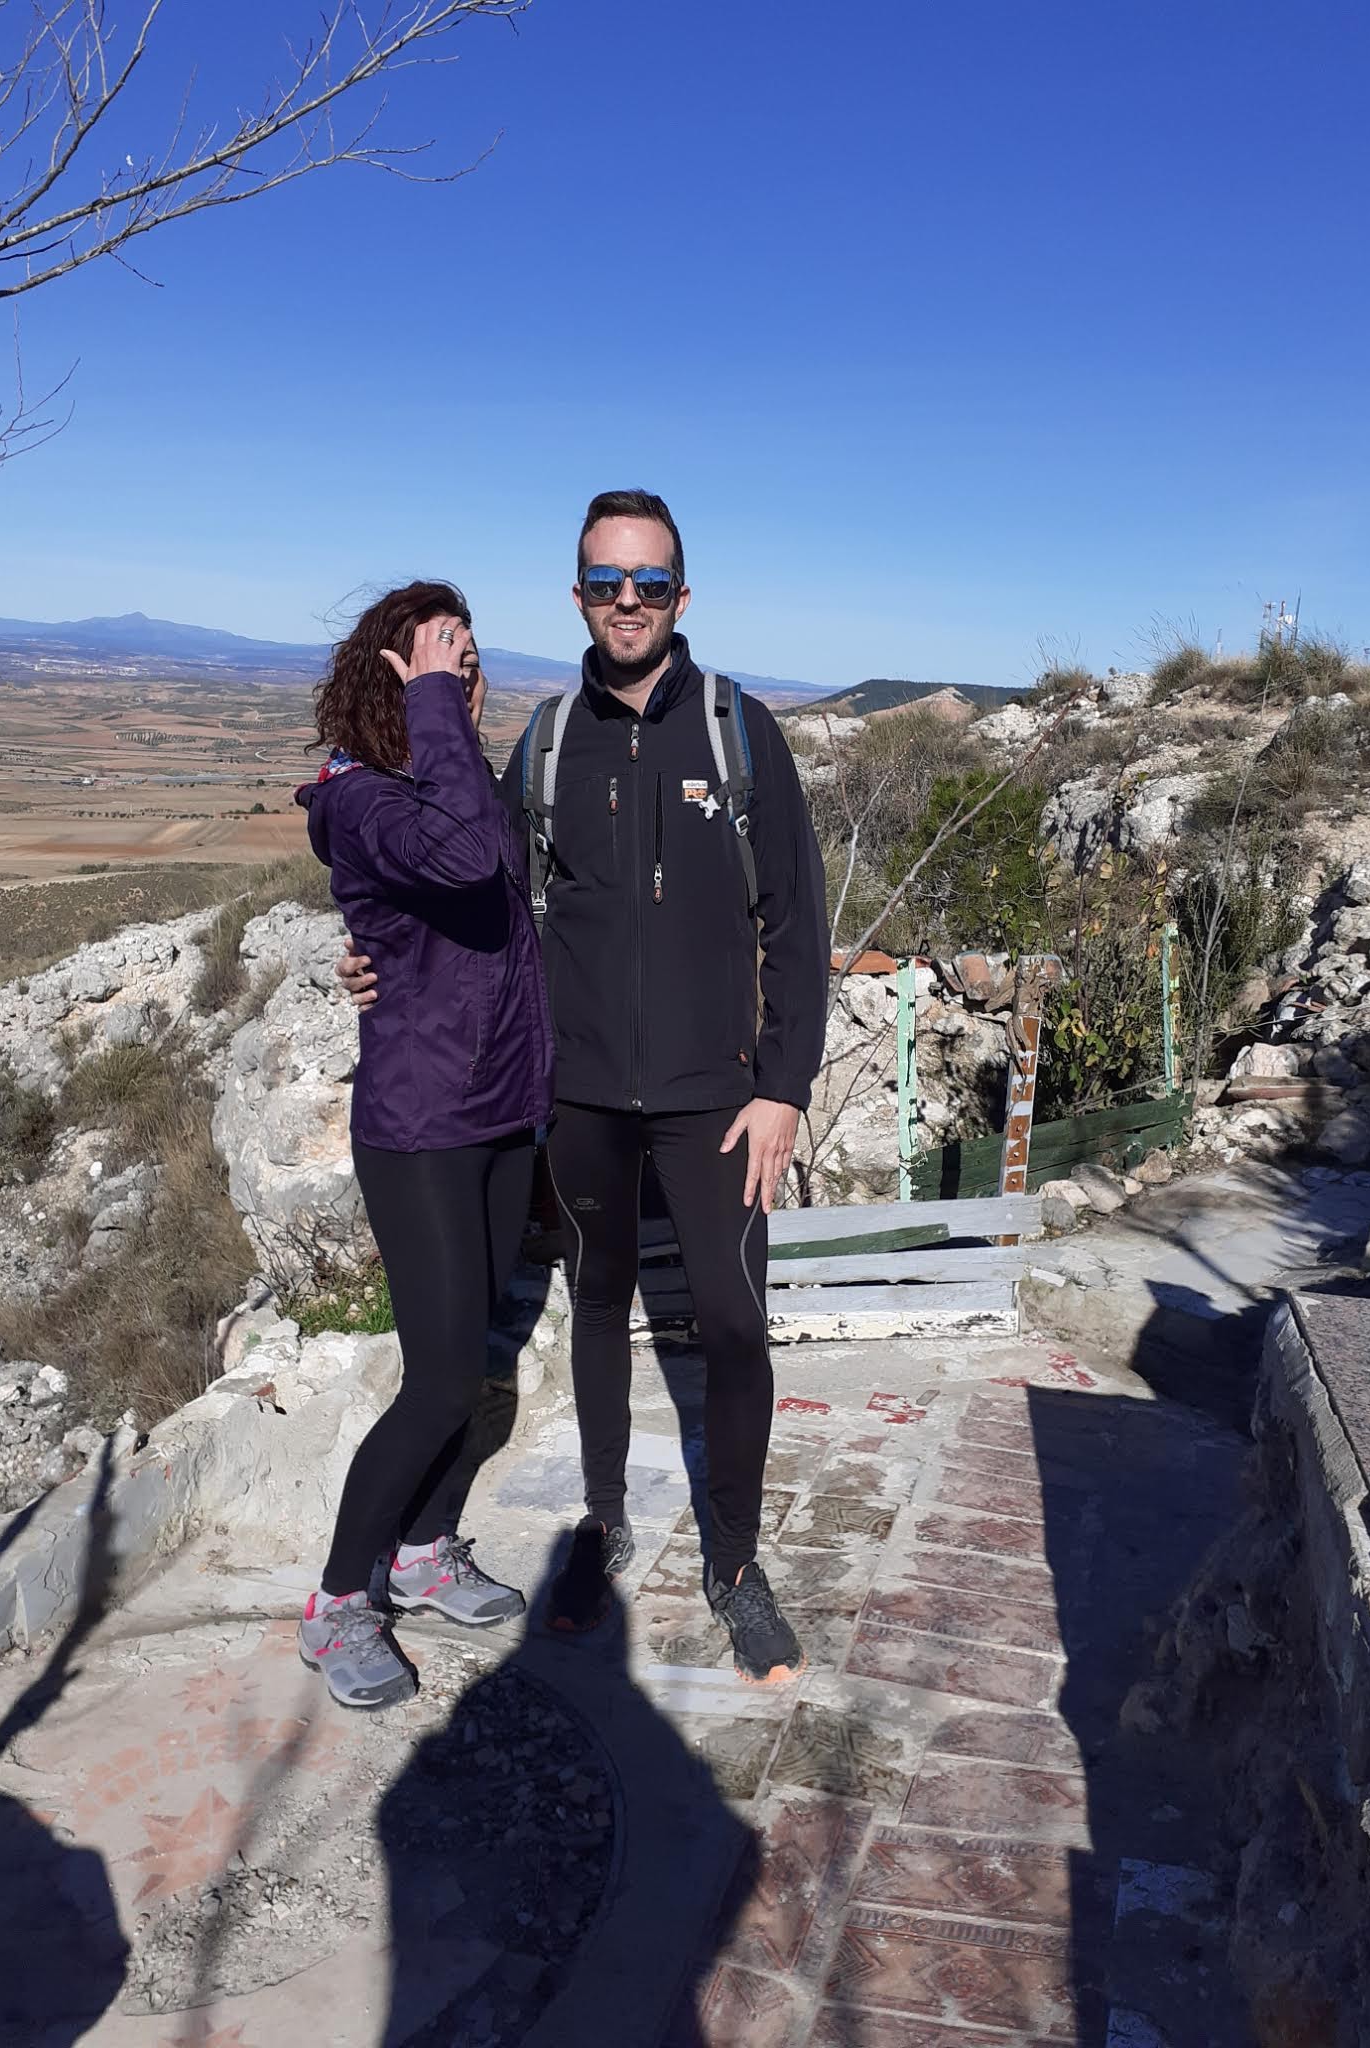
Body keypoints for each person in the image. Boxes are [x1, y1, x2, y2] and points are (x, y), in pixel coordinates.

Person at [339, 492, 829, 1685]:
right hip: (579, 1095)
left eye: (649, 581)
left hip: (718, 1099)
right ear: (577, 596)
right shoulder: (550, 740)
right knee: (600, 1303)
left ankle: (734, 1565)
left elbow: (798, 919)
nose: (628, 600)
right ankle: (602, 1527)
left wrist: (783, 1085)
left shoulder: (740, 730)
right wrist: (373, 954)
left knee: (731, 1322)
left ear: (681, 595)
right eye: (607, 581)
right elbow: (481, 892)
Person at [295, 581, 554, 1709]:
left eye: (472, 661)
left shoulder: (452, 780)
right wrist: (437, 703)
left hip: (498, 1110)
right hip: (421, 1124)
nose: (467, 678)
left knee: (475, 1357)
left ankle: (422, 1550)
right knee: (440, 1377)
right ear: (390, 680)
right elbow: (455, 863)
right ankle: (337, 1600)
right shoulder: (359, 798)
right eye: (443, 661)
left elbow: (502, 900)